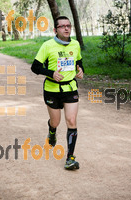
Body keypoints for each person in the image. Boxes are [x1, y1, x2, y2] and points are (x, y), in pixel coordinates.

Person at [31, 16, 84, 170]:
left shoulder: (75, 44)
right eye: (62, 26)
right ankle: (52, 132)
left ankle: (70, 158)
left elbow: (78, 61)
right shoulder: (47, 45)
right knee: (55, 122)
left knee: (71, 121)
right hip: (52, 90)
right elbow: (35, 67)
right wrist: (51, 73)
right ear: (55, 30)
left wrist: (80, 70)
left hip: (70, 88)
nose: (66, 28)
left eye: (68, 26)